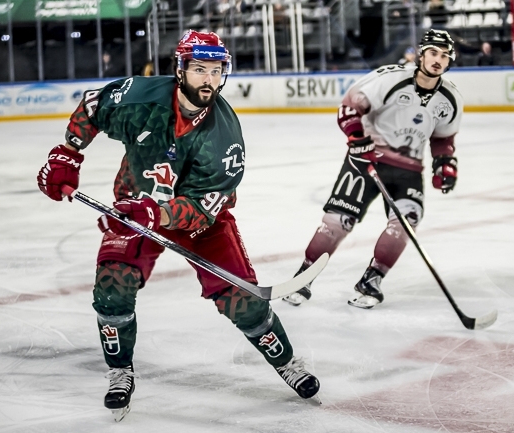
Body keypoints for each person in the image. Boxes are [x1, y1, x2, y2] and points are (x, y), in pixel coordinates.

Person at [36, 30, 320, 421]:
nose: (209, 79)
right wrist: (67, 152)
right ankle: (120, 371)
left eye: (216, 70)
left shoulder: (224, 137)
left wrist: (158, 214)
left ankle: (287, 362)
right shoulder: (141, 97)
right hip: (136, 207)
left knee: (244, 303)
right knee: (112, 289)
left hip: (200, 221)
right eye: (200, 69)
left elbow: (206, 206)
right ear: (181, 68)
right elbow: (93, 106)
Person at [281, 29, 463, 309]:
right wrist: (357, 137)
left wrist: (445, 163)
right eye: (433, 53)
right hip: (366, 161)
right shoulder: (390, 78)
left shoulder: (450, 98)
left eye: (444, 56)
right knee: (336, 224)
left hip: (408, 170)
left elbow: (443, 138)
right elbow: (349, 108)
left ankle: (372, 280)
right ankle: (303, 277)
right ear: (421, 54)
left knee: (405, 223)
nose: (438, 60)